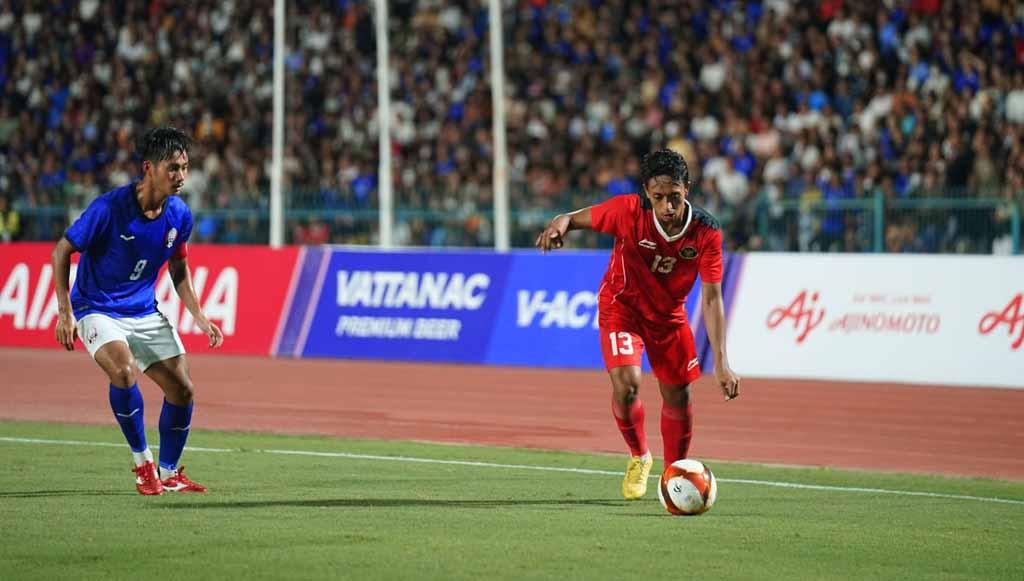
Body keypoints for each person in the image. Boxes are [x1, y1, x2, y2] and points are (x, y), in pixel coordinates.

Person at [535, 149, 740, 500]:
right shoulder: (627, 211)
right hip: (622, 307)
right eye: (658, 198)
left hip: (668, 317)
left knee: (678, 394)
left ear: (687, 188)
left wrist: (721, 361)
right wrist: (559, 224)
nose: (667, 207)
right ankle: (639, 455)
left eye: (674, 197)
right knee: (626, 384)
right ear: (647, 192)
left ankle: (674, 475)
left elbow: (711, 298)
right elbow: (571, 217)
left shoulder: (707, 233)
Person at [51, 127, 223, 495]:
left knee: (183, 390)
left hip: (143, 310)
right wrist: (65, 312)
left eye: (184, 167)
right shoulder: (110, 209)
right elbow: (62, 251)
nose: (180, 176)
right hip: (96, 307)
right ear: (149, 167)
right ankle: (143, 463)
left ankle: (169, 472)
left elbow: (179, 269)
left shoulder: (179, 216)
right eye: (172, 168)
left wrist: (198, 315)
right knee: (125, 372)